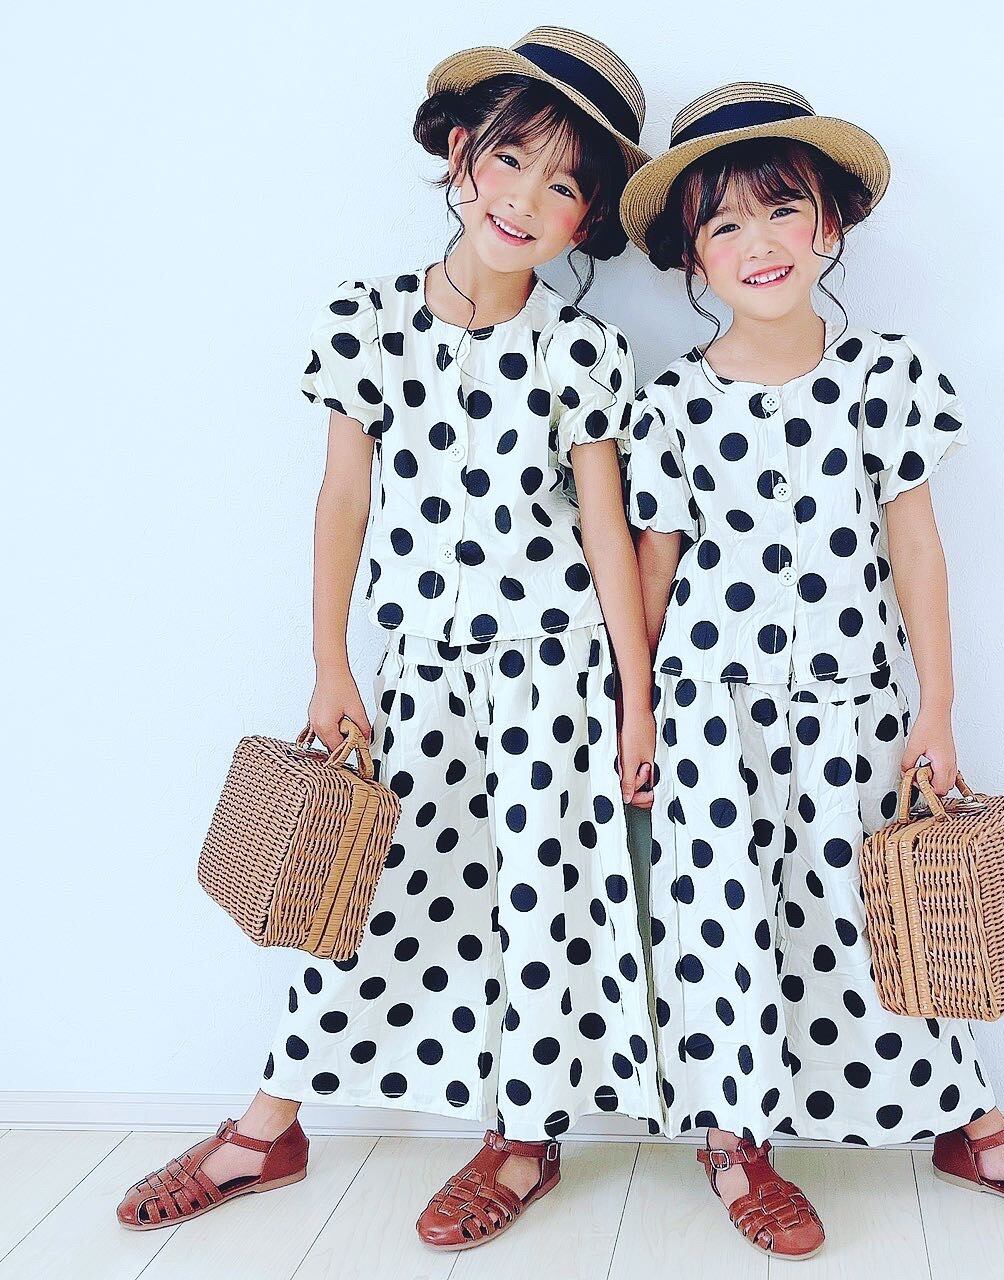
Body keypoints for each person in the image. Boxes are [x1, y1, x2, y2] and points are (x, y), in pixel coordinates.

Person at [116, 27, 664, 1250]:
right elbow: (342, 503)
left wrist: (635, 703)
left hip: (556, 678)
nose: (523, 198)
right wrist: (331, 664)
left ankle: (523, 1136)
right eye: (510, 158)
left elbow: (606, 535)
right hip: (416, 675)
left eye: (562, 185)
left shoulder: (582, 350)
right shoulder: (365, 320)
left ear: (585, 221)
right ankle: (271, 1122)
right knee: (362, 897)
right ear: (460, 151)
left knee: (541, 906)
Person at [618, 81, 1004, 1259]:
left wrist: (935, 707)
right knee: (722, 920)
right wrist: (637, 716)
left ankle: (966, 1121)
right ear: (690, 253)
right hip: (710, 714)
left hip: (856, 708)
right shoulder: (672, 399)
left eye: (780, 209)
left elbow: (916, 550)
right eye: (722, 223)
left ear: (828, 225)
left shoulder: (883, 374)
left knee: (884, 918)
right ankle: (735, 1140)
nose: (756, 242)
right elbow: (652, 574)